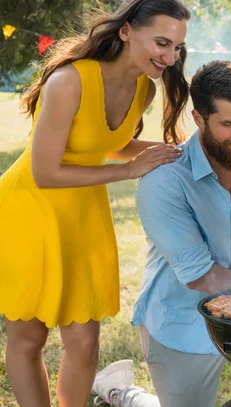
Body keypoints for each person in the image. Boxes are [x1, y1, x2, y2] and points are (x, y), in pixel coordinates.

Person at [91, 60, 231, 407]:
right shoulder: (163, 181)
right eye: (228, 124)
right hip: (180, 321)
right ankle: (124, 393)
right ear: (199, 119)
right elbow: (200, 275)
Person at [0, 0, 190, 406]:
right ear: (126, 32)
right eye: (161, 42)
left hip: (84, 213)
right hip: (30, 210)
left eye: (176, 47)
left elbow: (111, 143)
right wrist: (128, 171)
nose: (170, 56)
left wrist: (178, 152)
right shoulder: (69, 81)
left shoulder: (143, 88)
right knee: (28, 337)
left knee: (85, 343)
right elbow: (45, 173)